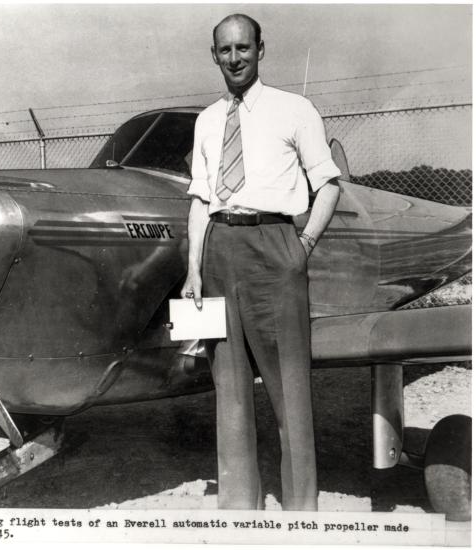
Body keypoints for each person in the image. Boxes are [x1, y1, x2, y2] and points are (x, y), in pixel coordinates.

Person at [181, 13, 341, 511]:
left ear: (260, 50)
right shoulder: (207, 121)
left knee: (289, 386)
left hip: (276, 246)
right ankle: (238, 508)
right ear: (214, 56)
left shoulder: (295, 110)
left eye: (243, 48)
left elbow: (328, 185)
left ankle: (300, 511)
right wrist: (192, 269)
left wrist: (304, 246)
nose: (234, 58)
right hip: (219, 250)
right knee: (228, 389)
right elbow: (200, 201)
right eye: (225, 50)